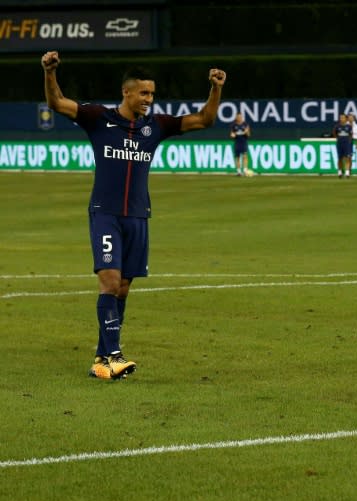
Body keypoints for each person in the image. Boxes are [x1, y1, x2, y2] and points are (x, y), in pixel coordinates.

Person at [41, 50, 226, 380]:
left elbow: (204, 120)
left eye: (152, 94)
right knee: (110, 281)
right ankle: (113, 355)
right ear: (126, 92)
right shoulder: (99, 118)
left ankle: (101, 358)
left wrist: (216, 89)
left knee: (123, 288)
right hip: (106, 214)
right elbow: (58, 103)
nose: (149, 99)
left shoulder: (155, 127)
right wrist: (49, 72)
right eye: (143, 93)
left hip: (138, 216)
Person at [332, 113, 353, 178]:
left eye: (343, 118)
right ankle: (340, 172)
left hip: (347, 143)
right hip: (339, 143)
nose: (341, 119)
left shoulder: (349, 126)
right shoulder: (337, 126)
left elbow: (351, 135)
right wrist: (338, 138)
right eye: (340, 118)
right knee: (339, 158)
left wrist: (348, 141)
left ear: (346, 119)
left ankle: (347, 173)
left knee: (347, 158)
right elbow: (334, 133)